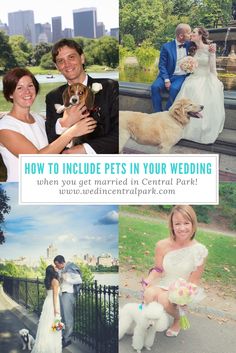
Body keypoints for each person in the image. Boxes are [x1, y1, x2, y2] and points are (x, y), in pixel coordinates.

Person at [0, 67, 97, 182]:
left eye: (30, 86)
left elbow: (53, 148)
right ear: (10, 94)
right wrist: (72, 132)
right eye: (19, 88)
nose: (27, 91)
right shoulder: (5, 127)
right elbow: (36, 161)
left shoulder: (38, 119)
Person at [142, 205, 208, 337]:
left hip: (182, 288)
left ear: (193, 225)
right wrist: (147, 280)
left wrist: (184, 296)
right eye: (177, 223)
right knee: (149, 293)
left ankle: (178, 319)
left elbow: (194, 280)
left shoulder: (200, 250)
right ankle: (155, 318)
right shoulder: (162, 245)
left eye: (186, 223)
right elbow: (158, 269)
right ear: (172, 225)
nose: (182, 228)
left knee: (163, 299)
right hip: (164, 282)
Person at [45, 38, 118, 154]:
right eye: (60, 61)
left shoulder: (110, 87)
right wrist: (64, 123)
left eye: (71, 57)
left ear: (82, 58)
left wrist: (84, 149)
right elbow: (51, 140)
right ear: (57, 67)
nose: (67, 64)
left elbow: (120, 132)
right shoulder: (52, 97)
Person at [175, 27, 225, 144]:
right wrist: (186, 66)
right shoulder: (192, 48)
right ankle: (183, 126)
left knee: (197, 90)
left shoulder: (210, 48)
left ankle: (201, 129)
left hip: (205, 77)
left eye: (194, 32)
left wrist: (216, 81)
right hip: (194, 77)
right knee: (188, 86)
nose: (191, 34)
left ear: (200, 35)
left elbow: (213, 68)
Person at [151, 23, 192, 112]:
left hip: (181, 76)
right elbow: (162, 65)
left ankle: (167, 113)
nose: (191, 34)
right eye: (189, 33)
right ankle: (157, 113)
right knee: (154, 87)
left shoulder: (190, 45)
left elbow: (202, 41)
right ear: (181, 36)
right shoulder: (166, 47)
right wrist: (166, 80)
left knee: (174, 89)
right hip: (167, 75)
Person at [54, 255, 82, 348]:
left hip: (68, 295)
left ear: (61, 262)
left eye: (57, 264)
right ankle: (62, 336)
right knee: (61, 317)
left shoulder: (70, 268)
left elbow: (79, 280)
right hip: (62, 294)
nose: (56, 266)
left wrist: (67, 279)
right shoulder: (61, 270)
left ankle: (67, 339)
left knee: (68, 318)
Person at [32, 265, 62, 353]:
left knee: (46, 324)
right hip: (53, 304)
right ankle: (51, 348)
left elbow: (48, 294)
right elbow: (55, 296)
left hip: (47, 303)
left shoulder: (47, 281)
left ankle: (44, 346)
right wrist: (56, 310)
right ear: (53, 271)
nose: (56, 268)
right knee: (54, 324)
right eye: (54, 268)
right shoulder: (55, 281)